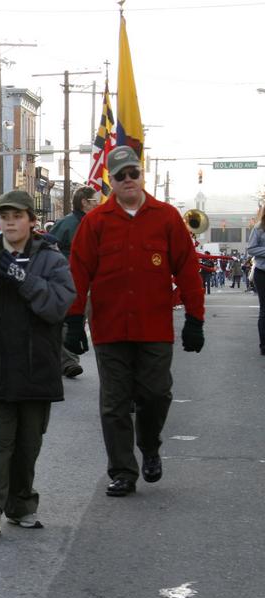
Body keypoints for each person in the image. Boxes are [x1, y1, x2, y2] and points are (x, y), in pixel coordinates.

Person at [63, 146, 205, 497]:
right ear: (111, 180)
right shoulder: (96, 222)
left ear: (143, 176)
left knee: (156, 394)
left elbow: (187, 270)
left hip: (154, 326)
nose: (128, 180)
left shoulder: (167, 217)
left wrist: (195, 319)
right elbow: (78, 273)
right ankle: (123, 471)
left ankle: (150, 444)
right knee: (114, 402)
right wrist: (73, 320)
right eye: (120, 175)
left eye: (133, 174)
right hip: (110, 328)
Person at [0, 190, 76, 533]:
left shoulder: (51, 259)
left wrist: (21, 279)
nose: (10, 222)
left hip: (36, 367)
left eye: (17, 216)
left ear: (31, 220)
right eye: (4, 216)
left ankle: (21, 503)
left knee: (28, 445)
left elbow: (58, 306)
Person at [50, 186, 99, 379]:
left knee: (81, 320)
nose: (97, 204)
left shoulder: (96, 224)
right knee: (68, 321)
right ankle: (69, 362)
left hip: (91, 283)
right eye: (94, 201)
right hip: (67, 281)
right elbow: (49, 247)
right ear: (84, 202)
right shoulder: (66, 224)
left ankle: (66, 359)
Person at [245, 213, 265, 354]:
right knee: (264, 310)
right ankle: (263, 346)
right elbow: (251, 249)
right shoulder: (258, 228)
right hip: (262, 272)